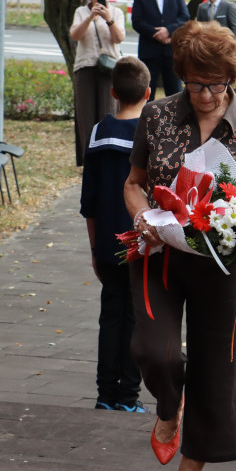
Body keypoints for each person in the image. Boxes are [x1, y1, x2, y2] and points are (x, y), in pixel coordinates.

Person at [123, 20, 236, 471]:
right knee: (153, 350)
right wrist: (141, 217)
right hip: (158, 253)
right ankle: (170, 406)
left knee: (217, 362)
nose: (205, 95)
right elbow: (134, 183)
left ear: (231, 77)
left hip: (220, 263)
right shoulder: (158, 116)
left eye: (215, 85)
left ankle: (195, 467)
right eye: (195, 84)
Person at [80, 56, 150, 413]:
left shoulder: (96, 134)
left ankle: (105, 393)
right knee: (136, 319)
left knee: (110, 316)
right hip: (141, 244)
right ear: (148, 93)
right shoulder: (149, 135)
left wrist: (94, 247)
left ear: (112, 93)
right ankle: (128, 397)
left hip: (106, 243)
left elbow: (88, 200)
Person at [69, 0, 126, 167]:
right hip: (85, 68)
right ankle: (89, 161)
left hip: (109, 70)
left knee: (108, 115)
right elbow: (75, 35)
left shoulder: (116, 13)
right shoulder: (80, 12)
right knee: (86, 116)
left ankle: (107, 159)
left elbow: (119, 39)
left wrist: (108, 19)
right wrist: (90, 17)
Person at [132, 0, 189, 101]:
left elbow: (184, 18)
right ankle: (146, 119)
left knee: (174, 92)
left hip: (171, 52)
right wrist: (157, 34)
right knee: (146, 92)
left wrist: (168, 31)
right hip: (149, 52)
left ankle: (175, 120)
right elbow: (137, 22)